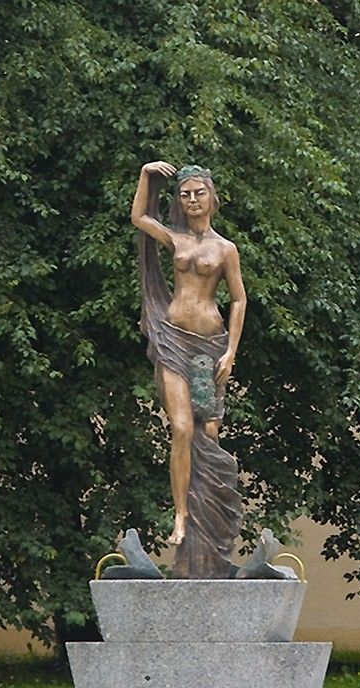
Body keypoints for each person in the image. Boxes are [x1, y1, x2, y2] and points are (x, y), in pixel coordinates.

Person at [131, 161, 246, 577]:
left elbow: (238, 299)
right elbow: (139, 217)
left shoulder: (225, 249)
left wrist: (230, 351)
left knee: (209, 432)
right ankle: (181, 514)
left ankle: (208, 518)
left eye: (199, 193)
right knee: (181, 427)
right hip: (173, 341)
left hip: (208, 348)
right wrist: (146, 175)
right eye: (185, 194)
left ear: (212, 197)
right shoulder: (175, 238)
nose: (192, 200)